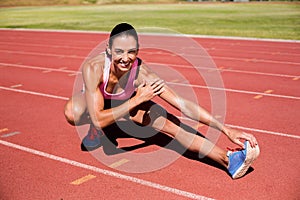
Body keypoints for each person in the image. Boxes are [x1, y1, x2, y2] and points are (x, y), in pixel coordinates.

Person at [64, 22, 259, 179]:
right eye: (119, 51)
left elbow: (184, 106)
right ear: (108, 50)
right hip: (98, 102)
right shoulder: (94, 68)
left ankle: (229, 160)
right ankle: (96, 132)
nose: (125, 58)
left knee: (172, 126)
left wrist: (226, 130)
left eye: (131, 51)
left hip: (130, 101)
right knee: (73, 112)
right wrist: (137, 99)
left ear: (138, 50)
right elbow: (98, 118)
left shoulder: (143, 74)